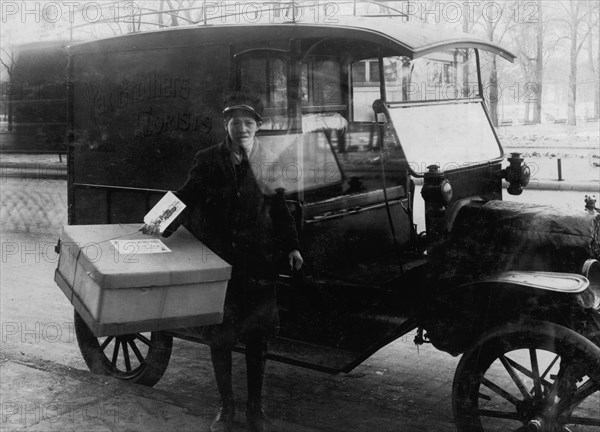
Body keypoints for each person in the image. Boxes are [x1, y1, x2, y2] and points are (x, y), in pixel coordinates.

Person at [143, 93, 303, 432]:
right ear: (226, 125)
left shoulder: (271, 161)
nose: (241, 128)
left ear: (258, 126)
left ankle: (255, 409)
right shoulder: (207, 159)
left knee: (258, 339)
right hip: (219, 263)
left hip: (259, 264)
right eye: (235, 122)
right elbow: (186, 194)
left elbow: (280, 209)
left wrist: (291, 247)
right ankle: (225, 407)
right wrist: (157, 220)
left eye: (248, 122)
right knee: (221, 337)